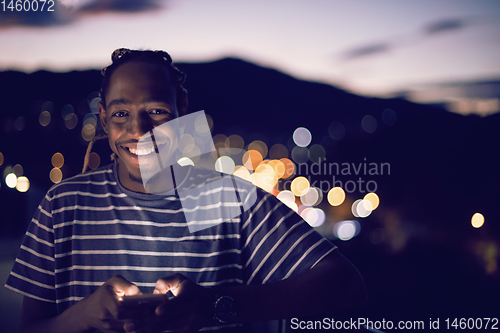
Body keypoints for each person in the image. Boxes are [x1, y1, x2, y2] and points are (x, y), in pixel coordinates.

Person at [5, 48, 367, 333]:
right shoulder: (65, 205)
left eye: (157, 111)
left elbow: (344, 283)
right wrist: (83, 316)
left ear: (182, 111)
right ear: (103, 119)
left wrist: (214, 306)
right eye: (121, 114)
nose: (139, 130)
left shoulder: (215, 197)